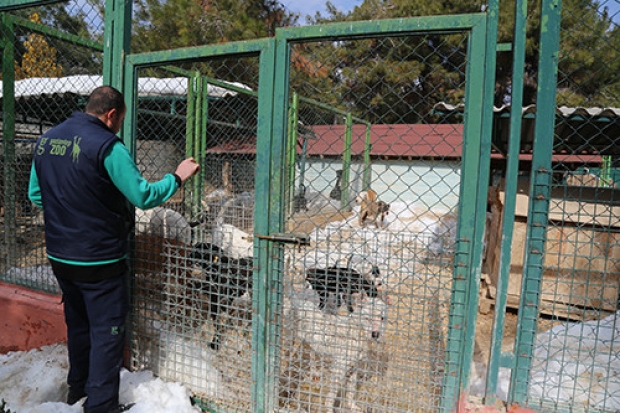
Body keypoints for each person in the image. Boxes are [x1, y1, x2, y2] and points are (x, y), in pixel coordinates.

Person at [28, 85, 200, 413]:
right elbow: (143, 196)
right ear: (111, 115)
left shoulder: (47, 140)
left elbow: (36, 195)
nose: (119, 126)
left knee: (79, 324)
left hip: (60, 256)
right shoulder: (107, 146)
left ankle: (78, 390)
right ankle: (101, 406)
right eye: (120, 120)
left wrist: (70, 212)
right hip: (99, 259)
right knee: (107, 333)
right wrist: (177, 177)